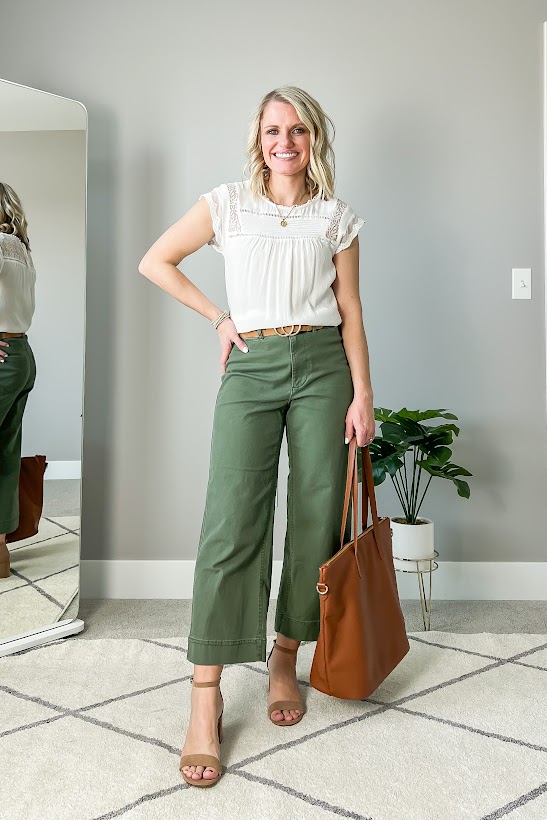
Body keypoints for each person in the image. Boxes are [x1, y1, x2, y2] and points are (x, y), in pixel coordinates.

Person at [138, 85, 375, 788]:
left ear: (314, 139)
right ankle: (205, 699)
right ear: (259, 139)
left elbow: (351, 308)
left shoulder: (337, 218)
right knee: (230, 524)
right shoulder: (226, 205)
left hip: (324, 366)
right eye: (274, 129)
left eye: (297, 130)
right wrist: (218, 317)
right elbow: (157, 261)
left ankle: (283, 655)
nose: (285, 141)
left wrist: (363, 394)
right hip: (252, 364)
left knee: (313, 521)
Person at [0, 182, 37, 578]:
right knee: (6, 457)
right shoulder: (21, 250)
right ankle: (0, 554)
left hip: (3, 357)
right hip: (22, 354)